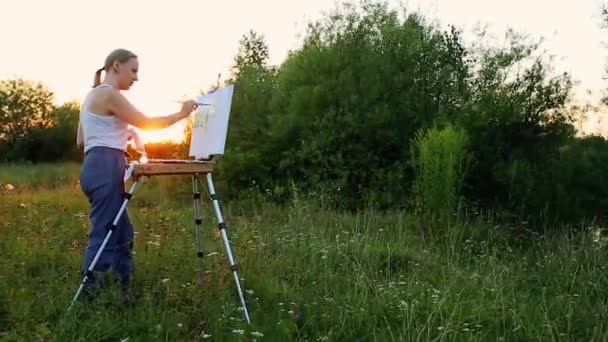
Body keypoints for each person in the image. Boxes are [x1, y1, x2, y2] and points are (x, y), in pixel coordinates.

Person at [76, 48, 197, 304]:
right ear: (116, 66)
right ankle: (89, 298)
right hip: (106, 167)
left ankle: (123, 293)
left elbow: (81, 140)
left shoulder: (91, 96)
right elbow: (147, 122)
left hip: (95, 164)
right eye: (134, 70)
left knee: (122, 231)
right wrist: (183, 113)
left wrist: (120, 135)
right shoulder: (109, 94)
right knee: (105, 232)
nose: (136, 77)